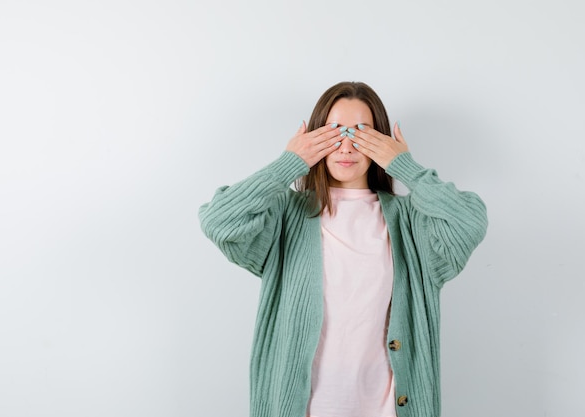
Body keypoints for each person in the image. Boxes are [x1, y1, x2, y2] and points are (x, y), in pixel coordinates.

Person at [199, 81, 488, 417]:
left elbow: (470, 222)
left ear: (380, 142)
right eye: (334, 131)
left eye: (361, 132)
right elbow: (219, 220)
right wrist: (288, 164)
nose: (346, 146)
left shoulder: (412, 223)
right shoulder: (285, 216)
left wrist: (405, 166)